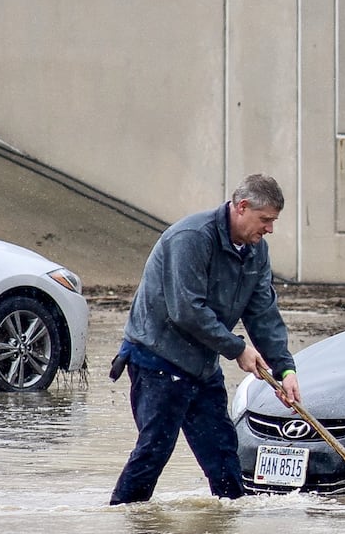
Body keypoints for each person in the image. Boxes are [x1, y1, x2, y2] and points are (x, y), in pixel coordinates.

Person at [109, 174, 302, 504]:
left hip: (202, 365)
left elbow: (263, 315)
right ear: (242, 207)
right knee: (154, 450)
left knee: (223, 452)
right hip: (157, 358)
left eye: (273, 221)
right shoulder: (191, 238)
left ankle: (226, 533)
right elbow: (186, 309)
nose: (269, 229)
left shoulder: (257, 252)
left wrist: (285, 370)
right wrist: (237, 349)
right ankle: (126, 522)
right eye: (265, 220)